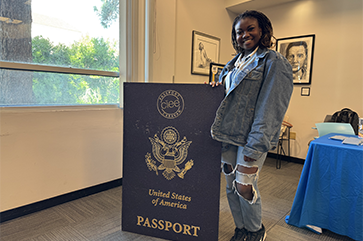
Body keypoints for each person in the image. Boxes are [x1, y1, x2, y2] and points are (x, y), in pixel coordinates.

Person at [208, 10, 293, 241]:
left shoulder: (274, 61)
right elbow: (226, 100)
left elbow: (271, 108)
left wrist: (257, 145)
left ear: (262, 30)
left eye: (250, 29)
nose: (244, 35)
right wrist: (216, 87)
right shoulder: (233, 63)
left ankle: (255, 230)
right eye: (239, 32)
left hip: (251, 138)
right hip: (228, 135)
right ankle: (241, 228)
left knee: (244, 186)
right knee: (230, 187)